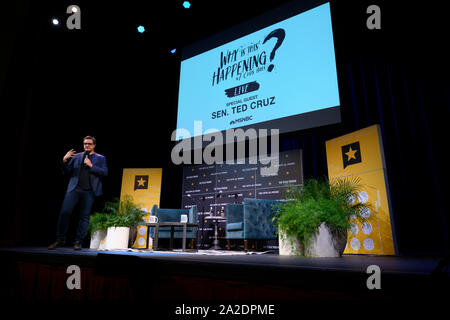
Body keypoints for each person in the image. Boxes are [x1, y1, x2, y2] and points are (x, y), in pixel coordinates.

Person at [48, 136, 108, 250]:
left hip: (89, 191)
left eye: (89, 144)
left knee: (84, 217)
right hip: (74, 189)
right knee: (64, 212)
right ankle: (60, 239)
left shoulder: (100, 158)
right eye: (85, 143)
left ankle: (78, 242)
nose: (87, 146)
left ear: (94, 145)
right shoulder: (77, 157)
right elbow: (67, 172)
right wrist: (64, 160)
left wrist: (91, 166)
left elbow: (104, 172)